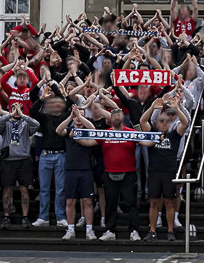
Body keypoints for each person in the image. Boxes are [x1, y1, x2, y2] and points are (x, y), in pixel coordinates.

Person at [83, 107, 142, 242]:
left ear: (123, 117)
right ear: (110, 119)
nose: (115, 117)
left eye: (118, 114)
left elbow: (146, 141)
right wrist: (75, 137)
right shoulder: (105, 133)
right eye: (113, 115)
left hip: (128, 173)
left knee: (131, 203)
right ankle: (110, 230)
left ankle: (134, 230)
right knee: (110, 202)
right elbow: (90, 142)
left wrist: (159, 137)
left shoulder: (131, 132)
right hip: (109, 173)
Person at [140, 94, 189, 241]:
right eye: (161, 121)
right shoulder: (152, 134)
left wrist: (177, 108)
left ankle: (170, 231)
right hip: (154, 172)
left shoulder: (174, 135)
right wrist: (151, 108)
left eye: (166, 121)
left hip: (169, 172)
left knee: (169, 202)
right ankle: (153, 231)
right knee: (154, 202)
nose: (163, 123)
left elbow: (185, 123)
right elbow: (142, 121)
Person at [29, 85, 71, 228]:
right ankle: (43, 216)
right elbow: (32, 111)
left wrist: (59, 91)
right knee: (44, 189)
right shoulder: (45, 117)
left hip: (61, 155)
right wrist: (42, 98)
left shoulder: (65, 116)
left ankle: (61, 216)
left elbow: (71, 104)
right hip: (46, 155)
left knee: (61, 189)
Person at [56, 105, 98, 240]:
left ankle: (89, 230)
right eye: (76, 115)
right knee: (70, 201)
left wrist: (80, 116)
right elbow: (58, 130)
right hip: (71, 169)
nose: (78, 119)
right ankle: (70, 229)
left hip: (86, 169)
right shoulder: (69, 130)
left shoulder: (87, 131)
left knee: (88, 201)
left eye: (81, 115)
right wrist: (71, 117)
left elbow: (94, 130)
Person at [0, 103, 39, 228]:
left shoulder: (25, 123)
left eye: (18, 108)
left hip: (23, 159)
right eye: (13, 108)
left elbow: (37, 125)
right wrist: (10, 114)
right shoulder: (6, 123)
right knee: (7, 189)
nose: (16, 111)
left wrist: (23, 115)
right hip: (8, 160)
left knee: (24, 189)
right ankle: (6, 216)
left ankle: (25, 217)